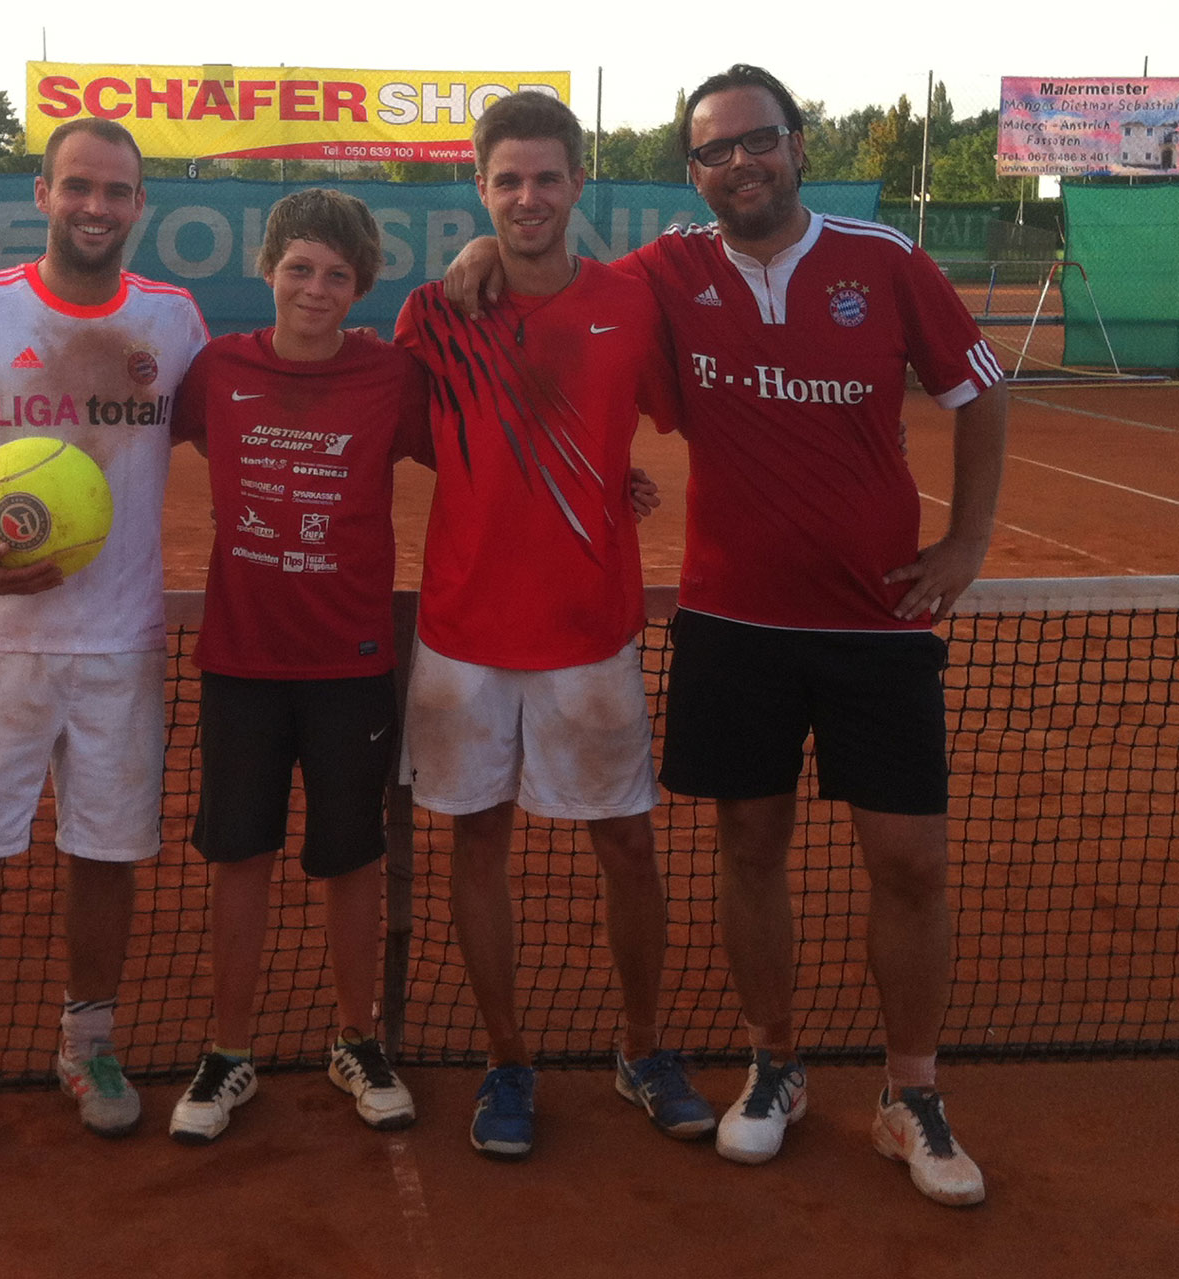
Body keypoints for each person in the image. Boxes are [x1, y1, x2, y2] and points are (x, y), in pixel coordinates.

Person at [446, 64, 1008, 1206]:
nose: (739, 163)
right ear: (690, 172)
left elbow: (980, 391)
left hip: (879, 621)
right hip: (731, 620)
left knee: (909, 863)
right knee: (749, 851)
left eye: (758, 142)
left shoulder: (886, 261)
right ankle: (775, 1064)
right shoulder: (667, 272)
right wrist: (480, 256)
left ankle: (912, 1092)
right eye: (713, 151)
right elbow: (558, 291)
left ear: (797, 146)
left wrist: (965, 547)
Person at [0, 118, 209, 1176]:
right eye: (80, 186)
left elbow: (255, 406)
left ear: (138, 205)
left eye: (117, 192)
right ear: (45, 190)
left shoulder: (173, 319)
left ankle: (90, 1049)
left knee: (106, 856)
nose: (97, 208)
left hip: (121, 646)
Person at [395, 90, 713, 1161]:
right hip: (463, 636)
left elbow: (678, 415)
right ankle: (508, 1058)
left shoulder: (633, 302)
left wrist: (605, 481)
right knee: (477, 840)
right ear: (480, 190)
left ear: (579, 183)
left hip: (591, 633)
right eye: (506, 181)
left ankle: (640, 1046)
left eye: (546, 177)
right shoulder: (435, 312)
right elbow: (419, 435)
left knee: (627, 842)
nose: (527, 196)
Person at [164, 189, 431, 1143]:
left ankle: (356, 1037)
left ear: (361, 286)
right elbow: (132, 435)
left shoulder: (392, 377)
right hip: (241, 661)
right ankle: (228, 1049)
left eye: (338, 274)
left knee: (351, 854)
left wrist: (610, 477)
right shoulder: (216, 369)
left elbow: (489, 456)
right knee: (239, 853)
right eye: (300, 268)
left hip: (352, 663)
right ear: (269, 269)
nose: (316, 288)